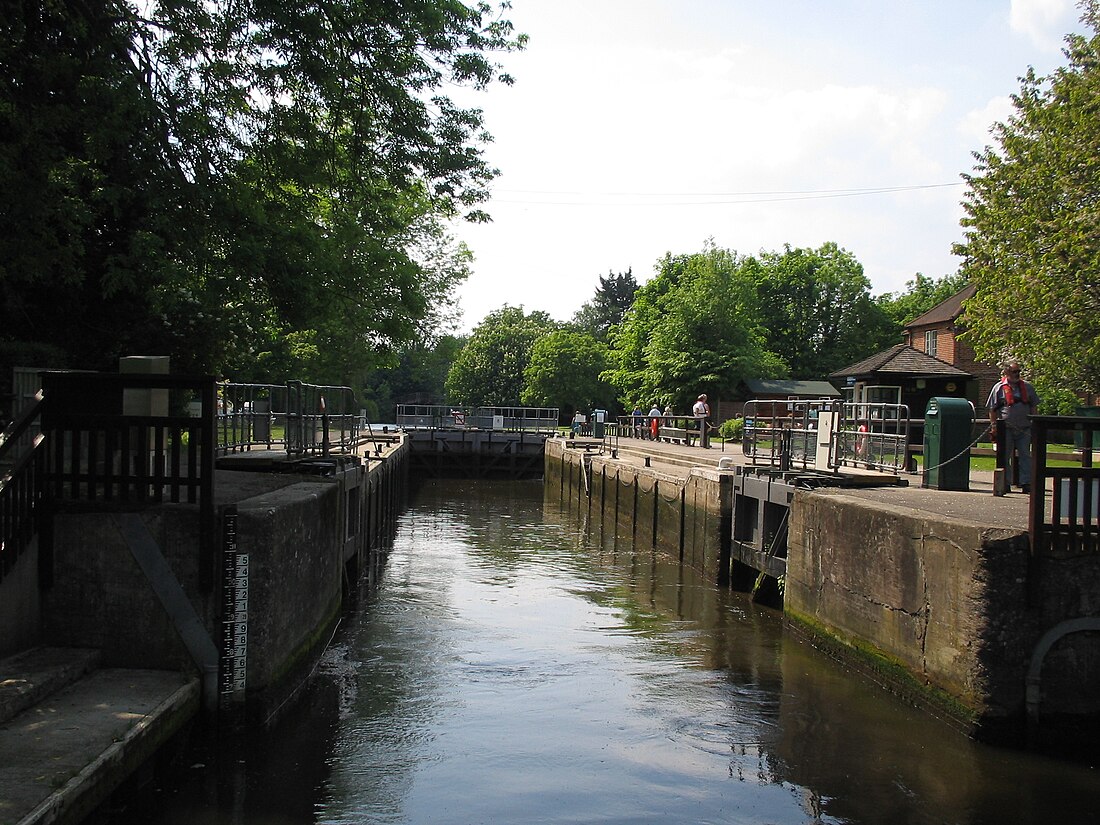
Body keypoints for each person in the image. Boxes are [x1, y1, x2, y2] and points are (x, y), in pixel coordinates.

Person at [986, 361, 1040, 493]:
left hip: (1024, 428)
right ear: (1007, 372)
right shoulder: (998, 388)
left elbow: (1033, 406)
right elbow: (992, 409)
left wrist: (1035, 424)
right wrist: (994, 426)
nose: (1017, 374)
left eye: (1018, 372)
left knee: (1025, 455)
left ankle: (1026, 483)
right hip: (1006, 428)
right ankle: (1006, 483)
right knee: (1004, 456)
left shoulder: (1028, 387)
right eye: (1014, 372)